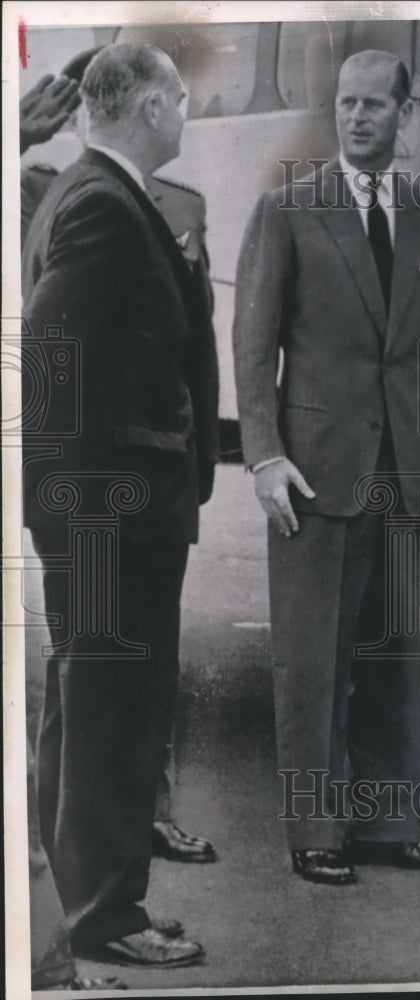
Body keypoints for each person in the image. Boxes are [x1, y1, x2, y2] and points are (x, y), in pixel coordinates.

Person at [233, 49, 420, 885]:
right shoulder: (288, 210)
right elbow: (253, 347)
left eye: (373, 105)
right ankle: (316, 834)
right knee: (312, 663)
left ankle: (390, 827)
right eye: (346, 104)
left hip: (405, 478)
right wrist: (264, 455)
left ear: (405, 115)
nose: (357, 117)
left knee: (398, 658)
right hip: (317, 477)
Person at [22, 43, 218, 967]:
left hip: (104, 504)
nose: (188, 112)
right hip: (109, 511)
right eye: (179, 99)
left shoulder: (81, 191)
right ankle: (107, 917)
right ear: (146, 107)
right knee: (112, 708)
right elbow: (53, 350)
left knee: (89, 702)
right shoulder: (103, 201)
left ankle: (91, 903)